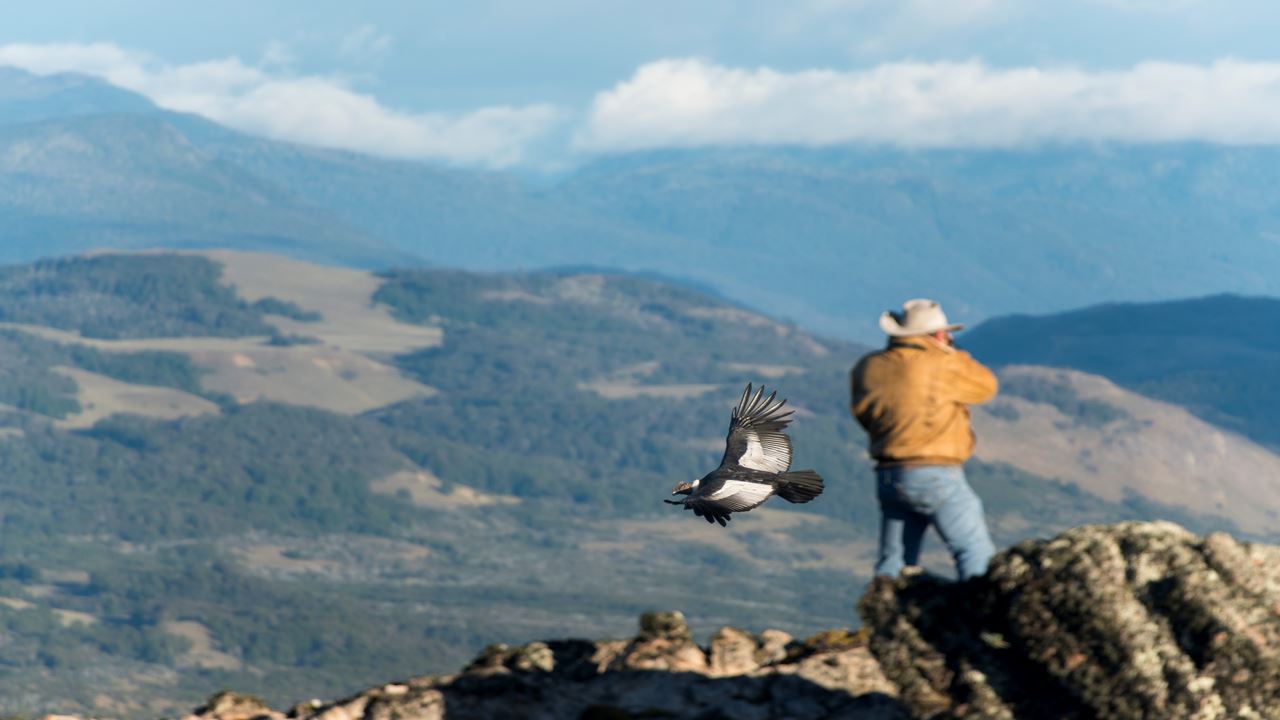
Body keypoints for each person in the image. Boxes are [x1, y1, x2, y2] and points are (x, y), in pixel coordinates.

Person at [850, 298, 998, 581]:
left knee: (894, 559)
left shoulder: (868, 367)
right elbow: (986, 386)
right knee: (972, 549)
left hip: (889, 474)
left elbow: (863, 414)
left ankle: (884, 613)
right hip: (936, 474)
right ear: (939, 335)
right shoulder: (942, 364)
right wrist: (953, 353)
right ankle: (981, 615)